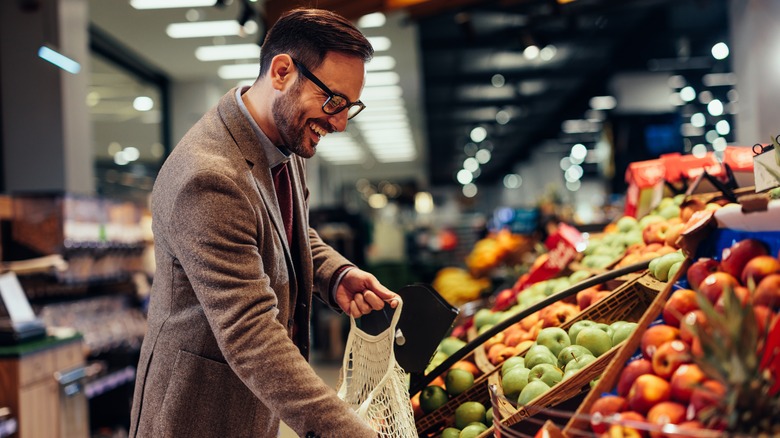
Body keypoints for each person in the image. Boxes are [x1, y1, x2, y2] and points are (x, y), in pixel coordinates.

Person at [129, 8, 399, 438]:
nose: (340, 122)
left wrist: (335, 274)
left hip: (253, 404)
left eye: (351, 106)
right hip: (197, 415)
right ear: (281, 71)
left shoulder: (282, 143)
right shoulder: (209, 177)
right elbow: (250, 331)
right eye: (333, 101)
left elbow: (284, 231)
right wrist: (351, 431)